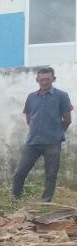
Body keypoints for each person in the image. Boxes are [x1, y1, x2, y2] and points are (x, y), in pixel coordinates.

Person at [11, 67, 73, 203]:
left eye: (47, 79)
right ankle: (15, 200)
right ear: (37, 80)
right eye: (41, 79)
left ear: (53, 79)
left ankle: (46, 202)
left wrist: (57, 133)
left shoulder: (62, 96)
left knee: (51, 174)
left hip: (52, 142)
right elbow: (29, 118)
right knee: (20, 172)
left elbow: (67, 119)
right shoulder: (31, 97)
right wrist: (36, 130)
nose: (44, 82)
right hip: (33, 142)